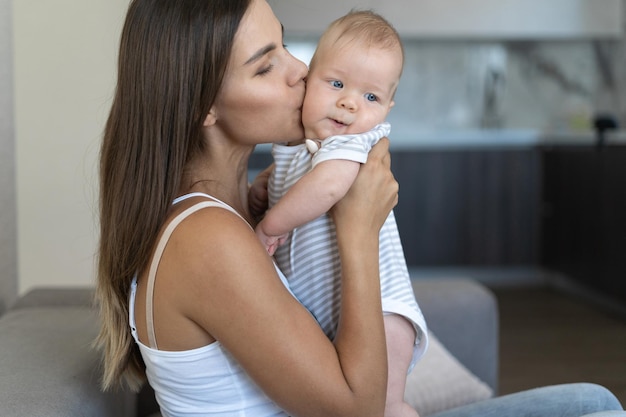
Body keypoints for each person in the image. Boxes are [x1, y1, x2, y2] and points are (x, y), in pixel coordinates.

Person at [94, 0, 626, 416]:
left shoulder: (235, 211)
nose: (300, 71)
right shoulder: (206, 239)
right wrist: (358, 228)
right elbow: (359, 411)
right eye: (265, 67)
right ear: (202, 105)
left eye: (284, 47)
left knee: (593, 402)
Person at [254, 10, 426, 417]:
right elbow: (299, 178)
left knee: (385, 406)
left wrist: (269, 225)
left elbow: (329, 186)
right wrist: (266, 184)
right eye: (336, 83)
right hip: (334, 312)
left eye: (371, 97)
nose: (349, 102)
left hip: (382, 311)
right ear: (310, 78)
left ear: (387, 108)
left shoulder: (352, 143)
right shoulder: (303, 146)